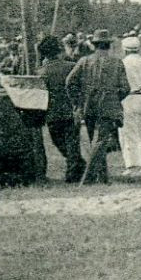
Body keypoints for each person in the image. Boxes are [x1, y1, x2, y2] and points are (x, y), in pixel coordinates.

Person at [66, 29, 130, 184]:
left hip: (88, 107)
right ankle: (87, 179)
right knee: (101, 142)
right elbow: (126, 88)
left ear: (94, 45)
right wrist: (115, 98)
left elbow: (70, 82)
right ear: (108, 45)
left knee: (96, 143)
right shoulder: (117, 62)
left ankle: (103, 178)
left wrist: (78, 101)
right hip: (108, 106)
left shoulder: (84, 61)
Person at [37, 35, 85, 183]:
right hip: (71, 111)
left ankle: (75, 171)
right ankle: (77, 169)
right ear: (59, 50)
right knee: (72, 143)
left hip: (52, 113)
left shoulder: (40, 73)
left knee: (59, 142)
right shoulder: (71, 67)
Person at [119, 36, 141, 176]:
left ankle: (131, 166)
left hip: (128, 98)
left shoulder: (122, 63)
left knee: (128, 132)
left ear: (125, 50)